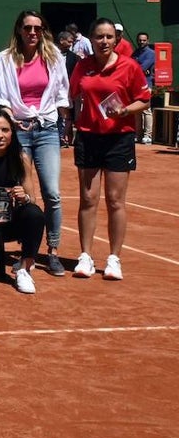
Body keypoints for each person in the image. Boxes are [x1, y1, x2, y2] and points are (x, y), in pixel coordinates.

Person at [65, 19, 152, 281]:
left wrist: (125, 110)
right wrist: (70, 123)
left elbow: (144, 100)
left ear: (116, 40)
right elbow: (72, 96)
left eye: (109, 37)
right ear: (90, 39)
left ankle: (114, 258)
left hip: (118, 139)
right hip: (89, 138)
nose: (104, 41)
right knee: (88, 199)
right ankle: (86, 256)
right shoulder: (83, 66)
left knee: (115, 201)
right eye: (99, 36)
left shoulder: (129, 66)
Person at [0, 10, 70, 277]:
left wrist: (66, 123)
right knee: (23, 193)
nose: (33, 33)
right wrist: (13, 120)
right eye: (28, 28)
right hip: (18, 131)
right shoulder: (5, 58)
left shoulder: (55, 57)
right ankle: (28, 252)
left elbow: (61, 93)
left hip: (47, 129)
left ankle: (53, 251)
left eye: (38, 28)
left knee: (52, 193)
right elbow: (1, 96)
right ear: (19, 30)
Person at [0, 109, 47, 293]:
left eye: (5, 130)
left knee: (35, 214)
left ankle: (24, 269)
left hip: (9, 219)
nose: (0, 135)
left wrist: (24, 196)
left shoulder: (21, 158)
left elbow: (33, 199)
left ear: (12, 132)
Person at [133, 32, 156, 145]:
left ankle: (148, 135)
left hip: (147, 84)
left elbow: (142, 68)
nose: (141, 42)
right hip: (135, 85)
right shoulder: (135, 52)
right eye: (140, 40)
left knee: (146, 110)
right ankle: (138, 134)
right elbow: (131, 66)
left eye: (144, 40)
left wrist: (138, 67)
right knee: (137, 110)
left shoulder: (151, 53)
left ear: (147, 40)